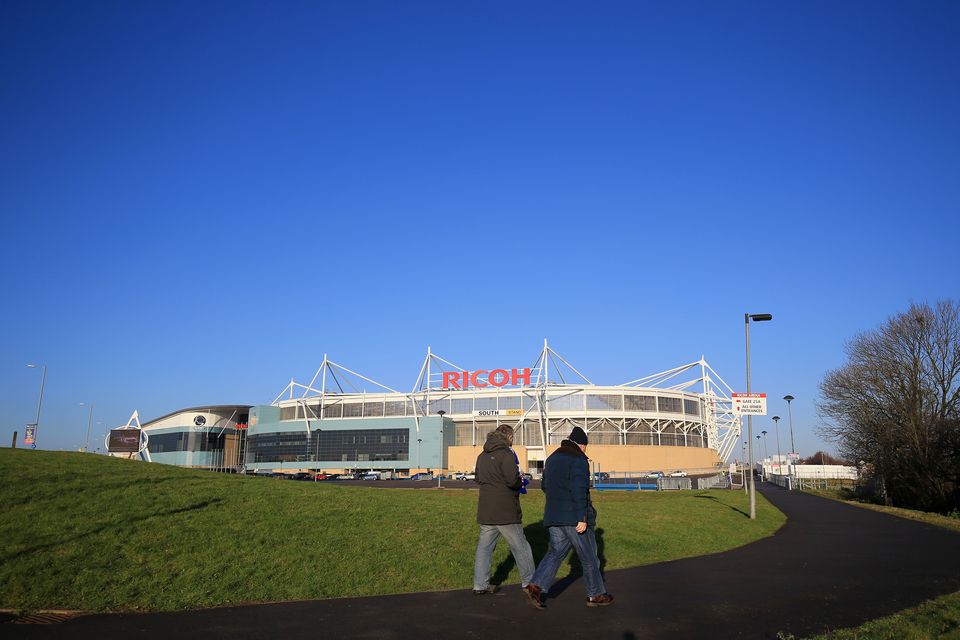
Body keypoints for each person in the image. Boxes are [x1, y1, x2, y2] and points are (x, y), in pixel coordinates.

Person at [522, 427, 614, 609]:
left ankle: (535, 585)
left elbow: (544, 486)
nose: (586, 450)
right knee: (588, 557)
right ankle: (595, 594)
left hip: (553, 515)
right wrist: (582, 517)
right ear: (581, 445)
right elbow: (580, 490)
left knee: (555, 553)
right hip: (574, 517)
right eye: (586, 446)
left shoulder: (552, 458)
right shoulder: (579, 459)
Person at [472, 424, 536, 595]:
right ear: (508, 437)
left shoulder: (482, 455)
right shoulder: (506, 454)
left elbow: (477, 478)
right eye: (513, 438)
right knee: (521, 547)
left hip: (486, 508)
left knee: (484, 548)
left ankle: (480, 584)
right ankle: (530, 583)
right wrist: (520, 482)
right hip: (506, 510)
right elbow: (511, 480)